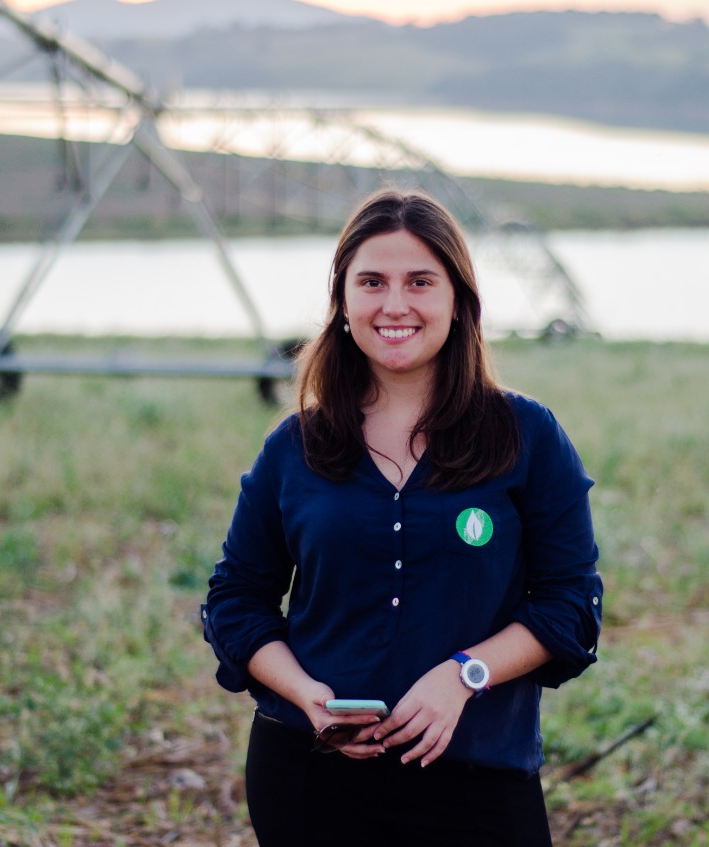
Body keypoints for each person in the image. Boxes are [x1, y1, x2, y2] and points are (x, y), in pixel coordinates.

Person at [201, 188, 602, 847]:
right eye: (372, 282)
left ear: (459, 300)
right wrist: (305, 694)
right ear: (343, 302)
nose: (394, 304)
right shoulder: (293, 446)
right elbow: (235, 602)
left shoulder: (527, 435)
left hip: (478, 776)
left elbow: (570, 606)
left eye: (420, 281)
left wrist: (465, 674)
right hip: (311, 777)